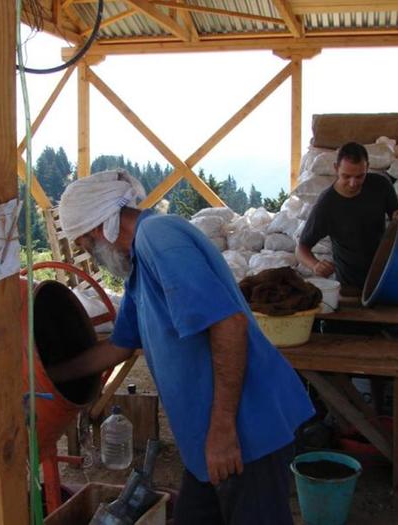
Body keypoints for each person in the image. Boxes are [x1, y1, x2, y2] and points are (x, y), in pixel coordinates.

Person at [51, 169, 314, 525]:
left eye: (85, 245)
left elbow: (229, 325)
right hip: (206, 438)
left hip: (245, 430)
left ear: (99, 229)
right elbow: (120, 346)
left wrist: (222, 429)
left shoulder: (159, 238)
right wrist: (49, 376)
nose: (93, 256)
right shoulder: (139, 268)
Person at [296, 142, 398, 295]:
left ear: (367, 167)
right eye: (346, 176)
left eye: (359, 176)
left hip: (385, 274)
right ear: (336, 168)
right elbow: (301, 249)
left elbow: (396, 214)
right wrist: (316, 265)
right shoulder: (327, 205)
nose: (353, 183)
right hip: (350, 284)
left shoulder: (380, 185)